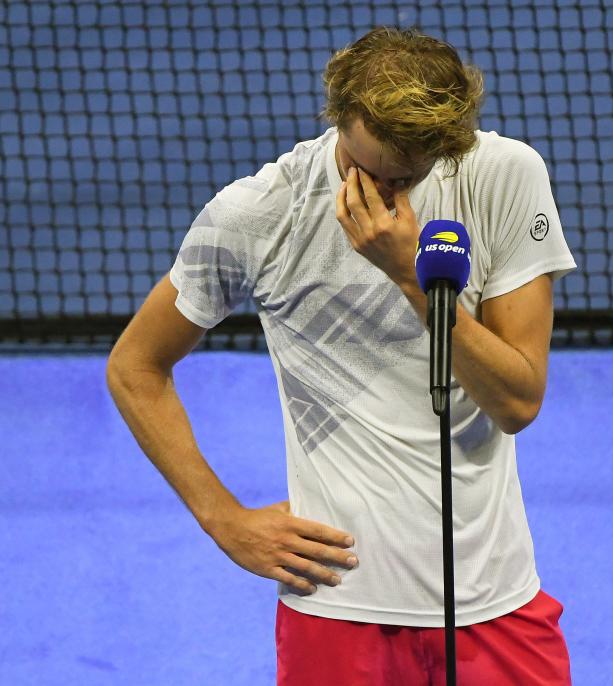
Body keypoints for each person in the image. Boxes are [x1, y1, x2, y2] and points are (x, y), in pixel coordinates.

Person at [106, 27, 577, 685]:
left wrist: (412, 277)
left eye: (406, 177)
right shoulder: (257, 215)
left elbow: (517, 401)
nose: (384, 193)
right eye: (365, 168)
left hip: (491, 597)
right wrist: (223, 518)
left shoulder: (502, 176)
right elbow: (135, 367)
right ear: (338, 119)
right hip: (337, 609)